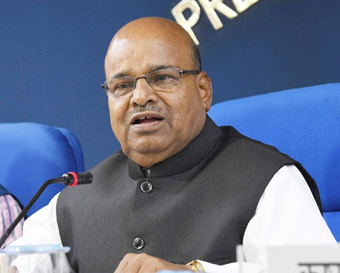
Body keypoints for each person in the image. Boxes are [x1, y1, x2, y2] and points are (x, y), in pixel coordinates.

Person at [11, 17, 336, 273]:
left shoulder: (267, 180)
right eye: (122, 85)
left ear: (203, 90)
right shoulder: (75, 200)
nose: (140, 96)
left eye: (162, 77)